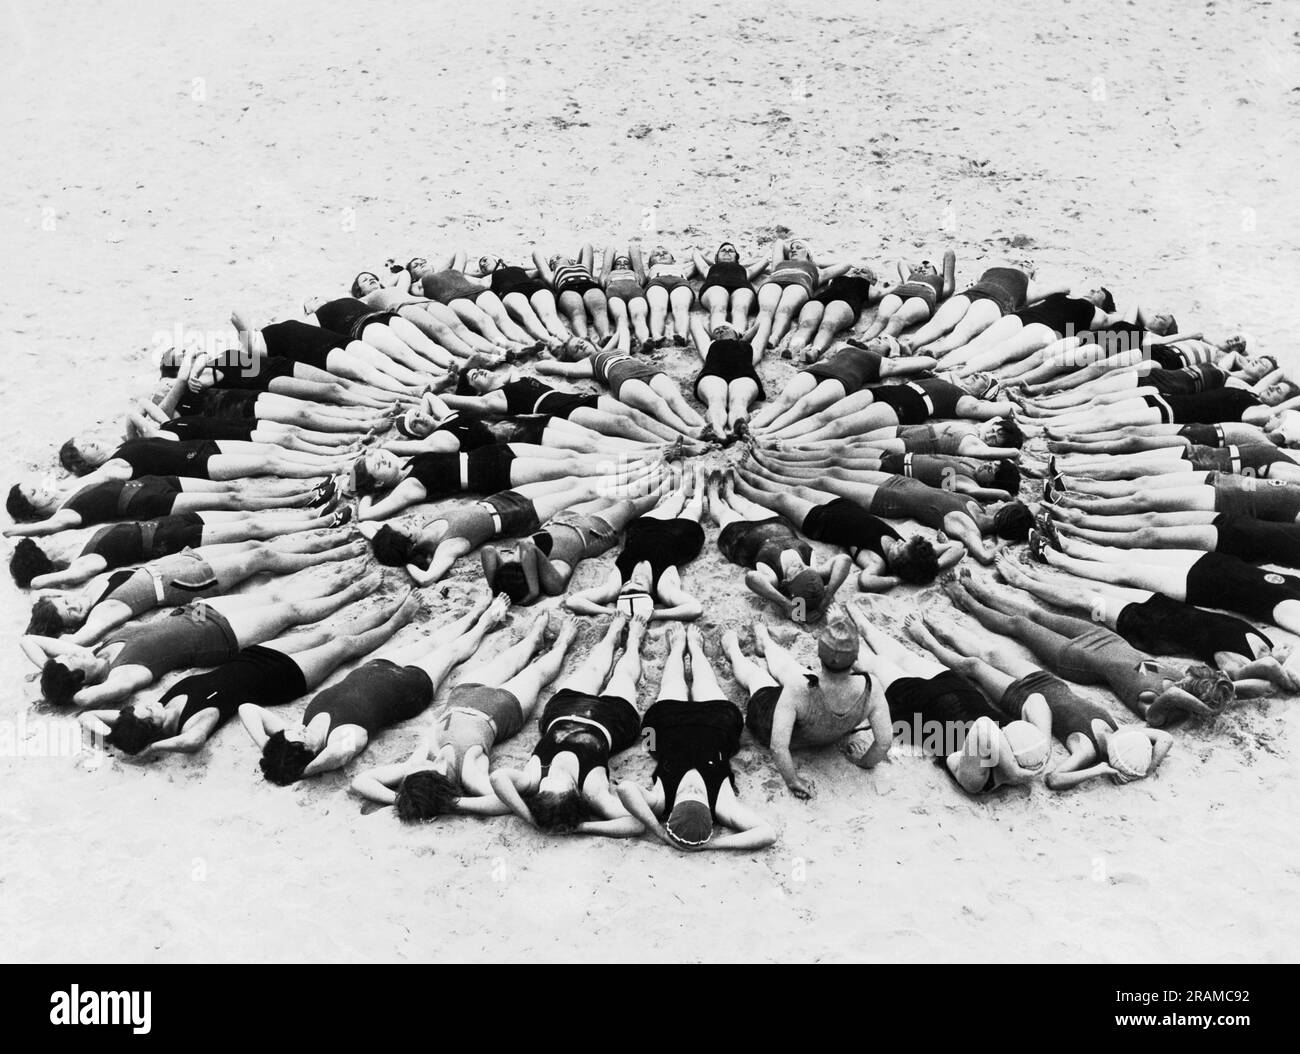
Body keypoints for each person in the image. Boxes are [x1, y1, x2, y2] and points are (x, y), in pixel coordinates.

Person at [80, 591, 417, 756]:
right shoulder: (193, 724)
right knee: (343, 645)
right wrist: (151, 749)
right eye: (149, 713)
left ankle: (382, 607)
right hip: (283, 679)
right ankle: (397, 620)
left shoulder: (158, 707)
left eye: (144, 706)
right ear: (154, 730)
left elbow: (88, 716)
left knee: (325, 633)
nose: (151, 705)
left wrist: (113, 739)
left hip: (255, 657)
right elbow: (192, 743)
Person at [25, 562, 378, 708]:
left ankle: (342, 578)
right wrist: (65, 693)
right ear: (80, 678)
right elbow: (86, 702)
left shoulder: (95, 648)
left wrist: (50, 668)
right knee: (290, 613)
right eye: (70, 659)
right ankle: (354, 592)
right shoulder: (121, 675)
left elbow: (26, 640)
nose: (72, 651)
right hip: (217, 638)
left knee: (274, 597)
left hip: (193, 613)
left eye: (67, 653)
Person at [242, 592, 510, 784]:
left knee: (434, 642)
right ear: (310, 754)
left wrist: (268, 745)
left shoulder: (299, 733)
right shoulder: (343, 738)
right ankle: (487, 621)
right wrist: (306, 771)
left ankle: (473, 613)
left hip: (377, 667)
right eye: (298, 736)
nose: (296, 728)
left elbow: (248, 709)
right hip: (411, 688)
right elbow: (339, 755)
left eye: (290, 731)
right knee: (450, 652)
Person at [900, 607, 1172, 792]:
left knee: (974, 667)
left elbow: (1054, 779)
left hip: (1021, 700)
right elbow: (1165, 739)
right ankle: (947, 628)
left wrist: (1097, 770)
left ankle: (928, 641)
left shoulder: (1086, 750)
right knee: (992, 653)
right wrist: (1148, 769)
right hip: (1047, 683)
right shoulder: (1122, 733)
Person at [350, 613, 579, 818]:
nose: (417, 762)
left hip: (462, 695)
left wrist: (402, 799)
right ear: (440, 772)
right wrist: (456, 804)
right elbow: (502, 800)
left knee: (507, 661)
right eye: (423, 766)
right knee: (536, 674)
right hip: (503, 709)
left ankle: (533, 640)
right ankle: (563, 644)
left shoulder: (415, 769)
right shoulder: (469, 772)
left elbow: (360, 781)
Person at [940, 570, 1236, 726]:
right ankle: (982, 593)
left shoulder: (1158, 707)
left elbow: (1161, 709)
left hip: (1076, 658)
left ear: (1189, 695)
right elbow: (1250, 680)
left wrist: (1199, 706)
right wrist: (1224, 692)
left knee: (1019, 625)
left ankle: (966, 602)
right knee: (1038, 615)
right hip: (1104, 638)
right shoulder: (1179, 682)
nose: (1184, 675)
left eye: (1189, 680)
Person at [994, 553, 1292, 690]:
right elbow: (1272, 661)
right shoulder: (1265, 642)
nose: (1288, 652)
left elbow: (1253, 675)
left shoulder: (1237, 664)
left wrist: (1280, 676)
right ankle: (1035, 574)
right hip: (1165, 607)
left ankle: (1021, 581)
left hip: (1145, 628)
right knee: (1096, 588)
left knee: (1084, 600)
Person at [25, 528, 360, 643]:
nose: (74, 607)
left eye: (64, 602)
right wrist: (31, 639)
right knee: (261, 556)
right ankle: (335, 552)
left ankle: (325, 538)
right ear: (71, 625)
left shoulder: (92, 587)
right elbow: (80, 640)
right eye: (69, 615)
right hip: (186, 583)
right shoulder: (102, 613)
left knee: (252, 543)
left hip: (177, 561)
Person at [616, 624, 776, 850]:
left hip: (668, 725)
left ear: (672, 811)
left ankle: (678, 648)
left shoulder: (662, 800)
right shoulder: (722, 804)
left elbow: (625, 789)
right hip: (717, 724)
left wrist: (658, 831)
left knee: (672, 684)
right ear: (710, 816)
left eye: (688, 795)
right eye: (698, 796)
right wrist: (711, 846)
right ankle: (696, 649)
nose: (693, 790)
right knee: (706, 683)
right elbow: (767, 833)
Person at [490, 614, 646, 833]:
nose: (552, 777)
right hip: (614, 719)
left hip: (565, 710)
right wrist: (582, 827)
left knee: (592, 669)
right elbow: (637, 823)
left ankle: (613, 633)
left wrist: (529, 817)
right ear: (575, 791)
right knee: (624, 676)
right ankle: (634, 642)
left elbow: (498, 778)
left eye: (545, 790)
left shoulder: (534, 779)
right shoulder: (593, 791)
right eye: (559, 785)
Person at [845, 603, 1030, 789]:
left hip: (921, 704)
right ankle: (864, 626)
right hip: (957, 688)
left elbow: (982, 728)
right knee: (905, 657)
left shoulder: (978, 779)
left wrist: (1012, 770)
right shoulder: (1022, 742)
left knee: (876, 664)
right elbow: (1037, 703)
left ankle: (841, 634)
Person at [364, 469, 652, 585]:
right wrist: (405, 564)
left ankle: (635, 469)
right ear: (409, 544)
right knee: (586, 494)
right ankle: (644, 480)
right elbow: (427, 579)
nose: (406, 520)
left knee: (571, 481)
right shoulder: (447, 547)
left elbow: (368, 524)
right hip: (519, 517)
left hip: (501, 500)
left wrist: (361, 495)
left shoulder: (422, 526)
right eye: (403, 528)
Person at [1027, 529, 1300, 639]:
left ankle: (1055, 560)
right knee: (1135, 555)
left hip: (1200, 585)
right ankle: (1068, 545)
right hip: (1214, 562)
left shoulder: (1291, 609)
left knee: (1126, 571)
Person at [740, 460, 1031, 563]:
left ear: (1005, 519)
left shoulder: (969, 527)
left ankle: (763, 475)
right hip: (902, 484)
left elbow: (980, 554)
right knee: (834, 472)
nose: (1004, 505)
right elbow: (1002, 493)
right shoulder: (979, 508)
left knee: (826, 482)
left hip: (888, 499)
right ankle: (773, 469)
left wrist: (1004, 544)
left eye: (1008, 511)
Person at [722, 615, 884, 799]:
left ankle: (733, 650)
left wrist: (793, 781)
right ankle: (765, 643)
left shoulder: (798, 688)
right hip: (825, 731)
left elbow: (778, 747)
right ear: (856, 656)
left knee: (757, 678)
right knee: (795, 671)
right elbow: (883, 742)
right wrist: (864, 763)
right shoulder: (872, 687)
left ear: (819, 654)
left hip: (778, 726)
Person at [8, 504, 347, 590]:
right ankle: (320, 523)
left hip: (165, 524)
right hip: (172, 542)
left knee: (246, 517)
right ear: (45, 557)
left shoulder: (76, 540)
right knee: (252, 533)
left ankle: (312, 514)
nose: (46, 541)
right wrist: (40, 579)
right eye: (41, 546)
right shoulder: (85, 562)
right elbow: (40, 582)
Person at [728, 471, 963, 591]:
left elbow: (866, 581)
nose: (900, 543)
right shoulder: (914, 552)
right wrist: (936, 566)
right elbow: (957, 548)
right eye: (904, 543)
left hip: (820, 522)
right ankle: (761, 475)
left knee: (781, 499)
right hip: (842, 506)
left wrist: (897, 580)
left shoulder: (877, 562)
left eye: (900, 549)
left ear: (901, 564)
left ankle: (743, 486)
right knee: (799, 488)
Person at [352, 443, 652, 521]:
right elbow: (367, 514)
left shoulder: (407, 462)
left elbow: (386, 447)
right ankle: (640, 469)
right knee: (570, 470)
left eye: (379, 455)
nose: (382, 458)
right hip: (490, 474)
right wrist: (363, 494)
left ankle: (641, 456)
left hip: (490, 454)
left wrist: (365, 457)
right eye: (377, 466)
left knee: (568, 455)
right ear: (379, 484)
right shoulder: (407, 488)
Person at [5, 471, 332, 538]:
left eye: (37, 488)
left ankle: (305, 489)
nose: (43, 492)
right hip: (146, 500)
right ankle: (305, 499)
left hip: (153, 482)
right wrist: (15, 530)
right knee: (230, 500)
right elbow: (49, 527)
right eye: (36, 496)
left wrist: (55, 485)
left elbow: (50, 478)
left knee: (230, 486)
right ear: (34, 510)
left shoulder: (66, 489)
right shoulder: (67, 513)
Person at [707, 469, 851, 621]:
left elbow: (751, 577)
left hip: (743, 537)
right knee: (748, 506)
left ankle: (713, 495)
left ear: (786, 581)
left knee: (724, 514)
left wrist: (786, 605)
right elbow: (844, 559)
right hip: (776, 525)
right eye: (805, 567)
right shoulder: (814, 571)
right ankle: (730, 494)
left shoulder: (774, 578)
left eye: (797, 570)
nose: (800, 564)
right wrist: (827, 597)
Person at [565, 468, 705, 621]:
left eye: (626, 589)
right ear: (650, 594)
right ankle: (699, 485)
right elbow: (695, 608)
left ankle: (685, 485)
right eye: (638, 587)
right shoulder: (665, 588)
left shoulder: (615, 586)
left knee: (674, 501)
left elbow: (573, 601)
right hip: (680, 536)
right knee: (693, 508)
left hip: (646, 528)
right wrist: (655, 615)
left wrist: (611, 612)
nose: (632, 582)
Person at [443, 364, 695, 445]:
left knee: (632, 413)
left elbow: (508, 368)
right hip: (560, 411)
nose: (479, 372)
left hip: (573, 398)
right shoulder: (491, 400)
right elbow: (447, 398)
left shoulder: (511, 377)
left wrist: (478, 367)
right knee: (622, 423)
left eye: (479, 370)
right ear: (474, 391)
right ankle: (671, 445)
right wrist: (453, 386)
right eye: (474, 377)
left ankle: (689, 437)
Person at [481, 490, 660, 604]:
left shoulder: (517, 566)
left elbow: (487, 551)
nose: (514, 559)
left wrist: (495, 588)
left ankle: (659, 467)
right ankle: (666, 486)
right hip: (594, 531)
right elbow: (528, 548)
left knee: (609, 495)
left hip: (563, 518)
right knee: (628, 506)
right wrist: (532, 593)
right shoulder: (553, 581)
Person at [758, 375, 1014, 446]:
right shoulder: (949, 381)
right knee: (823, 416)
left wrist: (1001, 404)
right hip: (891, 391)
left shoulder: (965, 401)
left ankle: (784, 443)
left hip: (907, 406)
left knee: (838, 428)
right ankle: (770, 434)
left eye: (984, 379)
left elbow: (1004, 408)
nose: (977, 375)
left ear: (984, 393)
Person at [748, 341, 938, 435]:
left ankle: (770, 432)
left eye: (883, 341)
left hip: (843, 380)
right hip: (818, 370)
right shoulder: (844, 346)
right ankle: (750, 427)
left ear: (887, 351)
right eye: (879, 337)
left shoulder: (885, 363)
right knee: (785, 400)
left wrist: (896, 350)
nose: (878, 340)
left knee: (805, 404)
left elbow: (930, 361)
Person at [534, 341, 706, 438]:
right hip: (623, 379)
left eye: (581, 341)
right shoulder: (588, 364)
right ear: (574, 357)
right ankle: (688, 431)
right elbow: (544, 366)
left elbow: (622, 328)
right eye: (576, 348)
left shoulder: (619, 349)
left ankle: (705, 427)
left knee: (676, 400)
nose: (581, 345)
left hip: (648, 371)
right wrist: (551, 358)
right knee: (658, 403)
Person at [936, 288, 1117, 376]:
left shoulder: (1098, 313)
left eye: (1100, 291)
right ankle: (939, 366)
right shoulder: (1065, 295)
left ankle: (956, 375)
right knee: (978, 344)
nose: (1094, 289)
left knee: (1002, 351)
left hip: (1048, 327)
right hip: (1025, 315)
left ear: (1104, 302)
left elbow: (1116, 321)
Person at [901, 263, 1068, 354]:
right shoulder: (992, 268)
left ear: (1033, 274)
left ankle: (937, 350)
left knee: (965, 329)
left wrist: (1036, 284)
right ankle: (911, 344)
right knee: (939, 323)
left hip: (995, 301)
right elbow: (977, 277)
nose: (1025, 261)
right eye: (1022, 259)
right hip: (971, 293)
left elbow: (1064, 288)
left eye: (1030, 264)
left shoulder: (1031, 285)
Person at [56, 434, 351, 484]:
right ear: (84, 461)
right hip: (199, 466)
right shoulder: (114, 466)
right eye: (83, 448)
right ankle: (332, 467)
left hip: (202, 445)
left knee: (272, 451)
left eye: (85, 439)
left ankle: (335, 457)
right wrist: (65, 482)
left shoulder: (125, 444)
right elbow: (95, 480)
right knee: (268, 463)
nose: (89, 442)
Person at [751, 239, 851, 353]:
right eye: (792, 249)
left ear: (808, 253)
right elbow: (779, 242)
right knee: (766, 310)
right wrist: (796, 250)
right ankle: (755, 334)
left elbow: (846, 264)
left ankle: (774, 337)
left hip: (799, 283)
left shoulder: (818, 271)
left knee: (784, 310)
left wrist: (813, 261)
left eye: (799, 248)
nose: (793, 250)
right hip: (774, 280)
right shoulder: (779, 264)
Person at [779, 266, 876, 362]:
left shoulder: (867, 285)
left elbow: (879, 293)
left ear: (872, 279)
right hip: (822, 298)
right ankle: (793, 350)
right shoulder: (837, 278)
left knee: (828, 325)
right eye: (856, 269)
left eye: (864, 271)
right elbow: (822, 267)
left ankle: (814, 351)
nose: (858, 271)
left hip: (846, 302)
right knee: (806, 324)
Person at [689, 318, 765, 441]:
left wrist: (744, 336)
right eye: (716, 331)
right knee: (715, 401)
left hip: (743, 375)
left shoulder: (751, 347)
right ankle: (718, 430)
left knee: (739, 403)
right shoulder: (709, 345)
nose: (720, 330)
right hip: (713, 374)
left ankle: (736, 429)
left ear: (736, 333)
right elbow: (695, 323)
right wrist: (714, 334)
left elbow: (763, 323)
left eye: (725, 328)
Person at [858, 251, 957, 342]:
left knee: (897, 319)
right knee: (881, 319)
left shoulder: (940, 282)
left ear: (938, 271)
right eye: (920, 267)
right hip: (900, 292)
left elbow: (949, 254)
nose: (922, 268)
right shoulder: (910, 277)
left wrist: (940, 272)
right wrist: (918, 268)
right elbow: (902, 262)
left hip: (923, 295)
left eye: (927, 266)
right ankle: (863, 341)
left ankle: (878, 344)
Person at [532, 245, 611, 340]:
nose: (554, 260)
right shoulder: (551, 275)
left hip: (589, 285)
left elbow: (587, 247)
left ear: (571, 260)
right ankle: (584, 338)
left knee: (600, 311)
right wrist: (550, 263)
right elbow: (536, 254)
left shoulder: (583, 267)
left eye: (558, 257)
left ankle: (605, 336)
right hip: (567, 288)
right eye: (552, 262)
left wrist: (574, 263)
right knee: (577, 313)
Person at [692, 242, 767, 332]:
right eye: (723, 250)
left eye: (731, 251)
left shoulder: (745, 271)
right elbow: (696, 254)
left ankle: (738, 334)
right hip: (715, 286)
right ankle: (719, 334)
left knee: (740, 308)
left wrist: (720, 259)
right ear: (717, 256)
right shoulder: (709, 269)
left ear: (736, 257)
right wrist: (715, 262)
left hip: (741, 287)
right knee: (718, 307)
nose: (727, 252)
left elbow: (766, 261)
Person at [637, 244, 697, 347]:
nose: (661, 255)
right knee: (657, 308)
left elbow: (699, 262)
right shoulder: (651, 270)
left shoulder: (681, 267)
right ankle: (656, 336)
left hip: (680, 281)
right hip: (657, 281)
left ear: (673, 259)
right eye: (656, 255)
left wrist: (697, 254)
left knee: (681, 307)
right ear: (650, 263)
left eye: (665, 253)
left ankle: (682, 335)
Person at [597, 245, 651, 353]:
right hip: (614, 293)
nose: (622, 264)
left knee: (639, 316)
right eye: (618, 263)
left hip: (635, 292)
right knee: (621, 318)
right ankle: (624, 343)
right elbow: (608, 257)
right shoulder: (607, 275)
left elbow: (635, 252)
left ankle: (645, 341)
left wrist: (632, 248)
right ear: (613, 266)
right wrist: (612, 249)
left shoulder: (636, 275)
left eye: (626, 263)